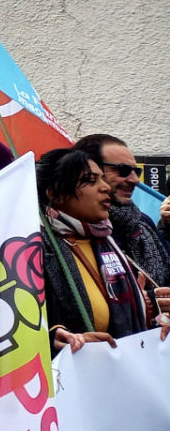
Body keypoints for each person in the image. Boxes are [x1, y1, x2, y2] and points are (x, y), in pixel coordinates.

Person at [37, 147, 170, 351]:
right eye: (91, 180)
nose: (105, 187)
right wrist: (52, 339)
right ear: (55, 195)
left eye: (102, 178)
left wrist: (154, 317)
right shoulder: (36, 248)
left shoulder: (107, 239)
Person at [72, 133, 170, 287]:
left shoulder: (142, 223)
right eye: (123, 170)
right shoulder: (71, 233)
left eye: (136, 171)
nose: (135, 180)